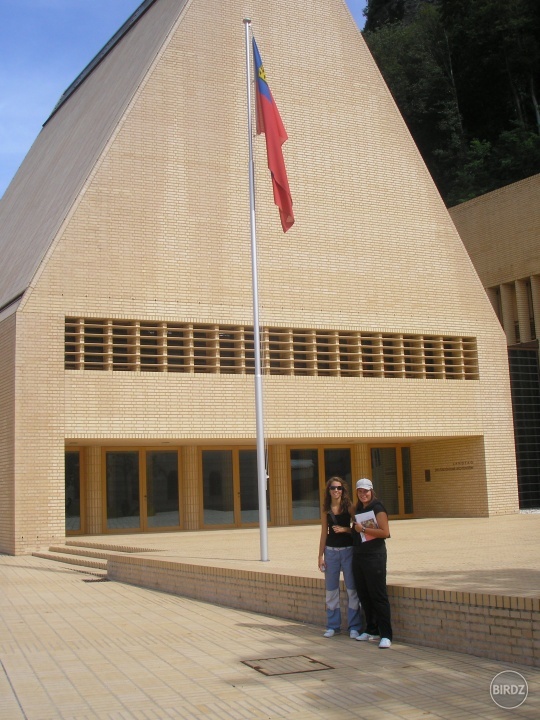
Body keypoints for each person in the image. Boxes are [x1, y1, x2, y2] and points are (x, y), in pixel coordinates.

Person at [351, 478, 393, 648]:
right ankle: (371, 629)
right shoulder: (359, 509)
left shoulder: (378, 508)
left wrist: (364, 530)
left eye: (366, 491)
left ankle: (386, 634)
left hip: (374, 556)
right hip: (359, 556)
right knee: (364, 594)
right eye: (360, 491)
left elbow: (385, 532)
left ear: (371, 491)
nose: (363, 494)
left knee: (378, 595)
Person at [318, 476, 362, 638]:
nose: (336, 491)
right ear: (328, 491)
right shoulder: (326, 509)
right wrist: (320, 556)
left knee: (352, 589)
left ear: (343, 490)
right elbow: (324, 533)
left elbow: (358, 527)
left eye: (339, 488)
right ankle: (333, 625)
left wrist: (345, 530)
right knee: (331, 590)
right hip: (331, 552)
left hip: (348, 551)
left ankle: (354, 626)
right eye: (333, 488)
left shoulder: (349, 506)